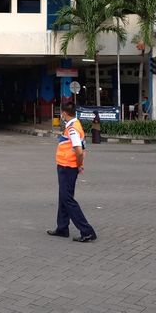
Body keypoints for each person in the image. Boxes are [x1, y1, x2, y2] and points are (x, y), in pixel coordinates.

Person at [46, 102, 96, 242]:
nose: (61, 115)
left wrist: (79, 165)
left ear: (64, 113)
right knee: (63, 197)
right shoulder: (75, 124)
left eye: (61, 113)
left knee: (68, 199)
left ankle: (87, 231)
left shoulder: (73, 128)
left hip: (68, 167)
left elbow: (79, 150)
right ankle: (62, 228)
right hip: (66, 166)